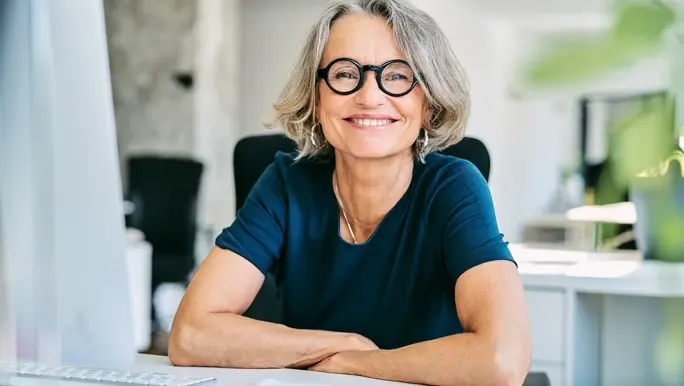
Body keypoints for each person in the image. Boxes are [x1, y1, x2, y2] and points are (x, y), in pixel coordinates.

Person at [169, 0, 531, 385]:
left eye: (397, 76)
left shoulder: (455, 186)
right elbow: (190, 335)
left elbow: (502, 360)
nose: (369, 96)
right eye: (345, 74)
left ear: (428, 102)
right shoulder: (286, 182)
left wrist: (356, 364)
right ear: (317, 96)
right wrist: (341, 344)